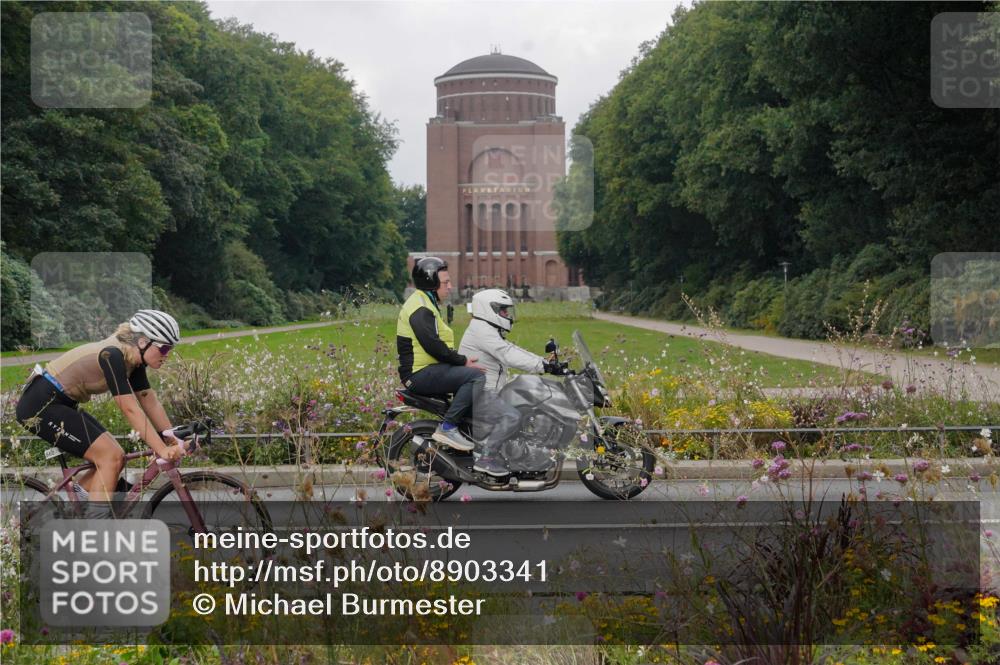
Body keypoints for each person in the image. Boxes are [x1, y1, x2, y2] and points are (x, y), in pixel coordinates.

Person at [15, 309, 186, 511]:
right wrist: (162, 449)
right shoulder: (111, 355)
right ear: (142, 342)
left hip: (62, 402)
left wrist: (172, 438)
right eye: (164, 348)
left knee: (116, 457)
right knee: (109, 456)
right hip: (40, 405)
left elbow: (149, 401)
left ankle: (71, 512)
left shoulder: (133, 360)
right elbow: (130, 409)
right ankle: (96, 530)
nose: (167, 355)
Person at [458, 289, 564, 476]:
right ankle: (486, 458)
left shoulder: (487, 329)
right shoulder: (481, 330)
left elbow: (511, 349)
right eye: (504, 311)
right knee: (512, 416)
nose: (507, 315)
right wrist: (543, 366)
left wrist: (545, 363)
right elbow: (508, 355)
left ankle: (513, 454)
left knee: (524, 403)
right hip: (481, 392)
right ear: (489, 309)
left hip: (488, 389)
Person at [397, 257, 485, 451]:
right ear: (431, 283)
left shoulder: (425, 303)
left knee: (471, 384)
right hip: (418, 374)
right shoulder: (420, 308)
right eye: (446, 282)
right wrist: (462, 361)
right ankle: (448, 427)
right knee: (476, 377)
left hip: (427, 369)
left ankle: (471, 437)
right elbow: (433, 346)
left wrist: (462, 361)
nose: (450, 286)